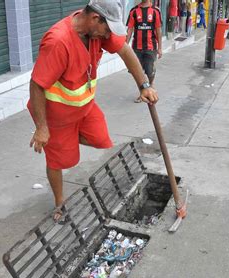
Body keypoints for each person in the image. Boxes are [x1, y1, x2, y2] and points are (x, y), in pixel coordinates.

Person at [28, 0, 159, 223]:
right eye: (107, 28)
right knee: (58, 160)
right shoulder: (58, 42)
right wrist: (42, 127)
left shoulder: (97, 32)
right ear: (94, 18)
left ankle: (67, 141)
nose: (108, 34)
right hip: (57, 117)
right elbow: (37, 85)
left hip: (85, 108)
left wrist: (144, 85)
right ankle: (60, 202)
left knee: (102, 139)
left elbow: (125, 50)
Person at [126, 0, 163, 103]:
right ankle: (142, 92)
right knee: (138, 72)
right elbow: (130, 29)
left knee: (149, 71)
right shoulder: (134, 11)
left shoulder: (155, 11)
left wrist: (160, 48)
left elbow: (158, 30)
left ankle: (151, 84)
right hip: (136, 48)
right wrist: (125, 45)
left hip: (151, 47)